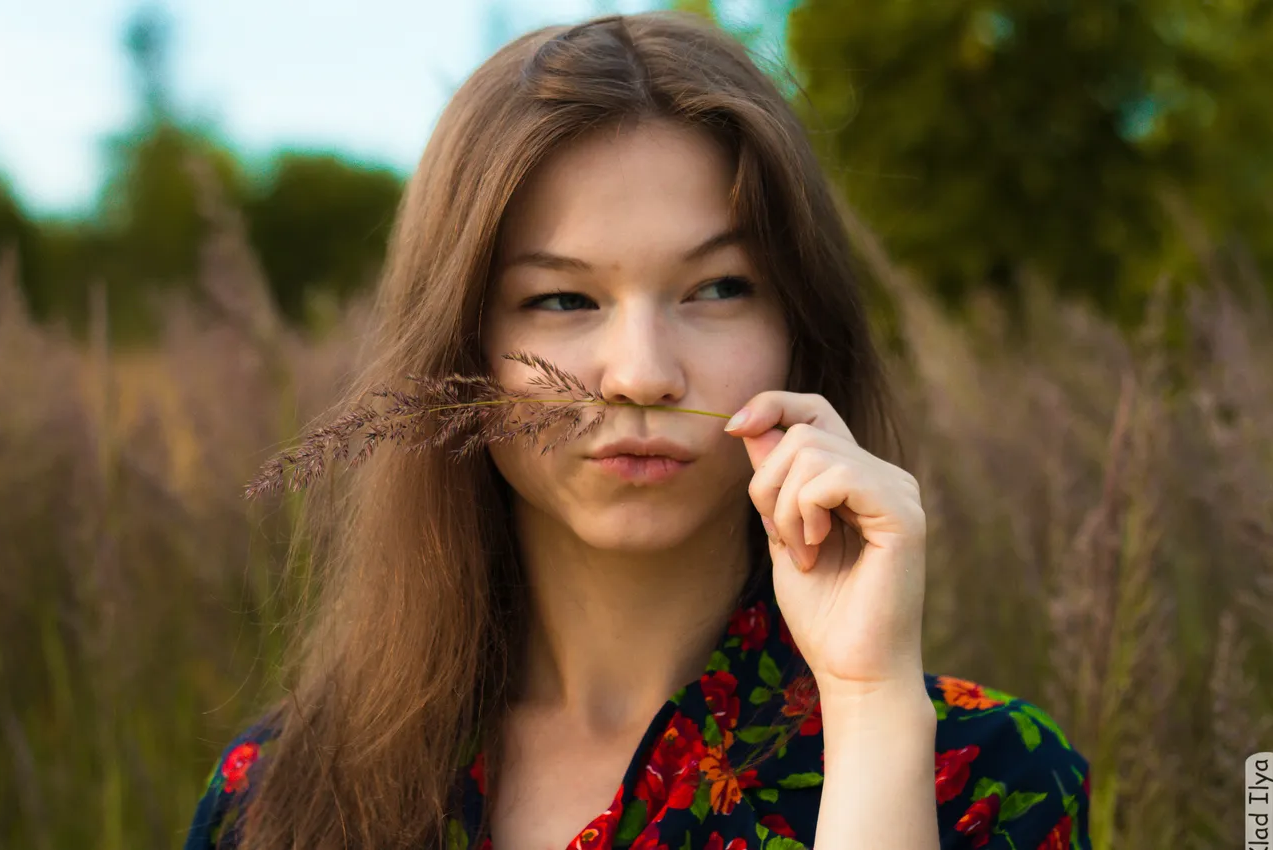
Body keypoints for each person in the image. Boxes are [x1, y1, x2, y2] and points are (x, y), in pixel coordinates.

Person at [183, 10, 1091, 850]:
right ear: (459, 352)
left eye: (718, 288)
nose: (643, 373)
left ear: (799, 330)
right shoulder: (284, 793)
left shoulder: (985, 778)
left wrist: (868, 706)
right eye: (563, 299)